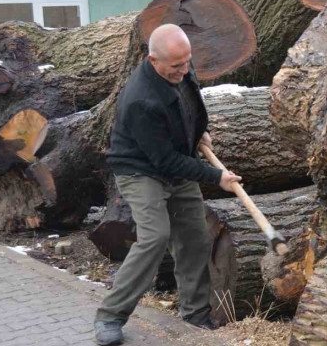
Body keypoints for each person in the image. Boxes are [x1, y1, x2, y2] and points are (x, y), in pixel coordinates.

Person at [94, 24, 241, 345]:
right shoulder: (140, 100)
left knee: (194, 236)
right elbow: (164, 161)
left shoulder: (180, 68)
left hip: (175, 162)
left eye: (187, 62)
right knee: (155, 237)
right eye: (176, 65)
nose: (184, 70)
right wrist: (217, 177)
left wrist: (197, 129)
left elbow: (189, 102)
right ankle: (110, 316)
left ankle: (195, 314)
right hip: (141, 171)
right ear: (153, 60)